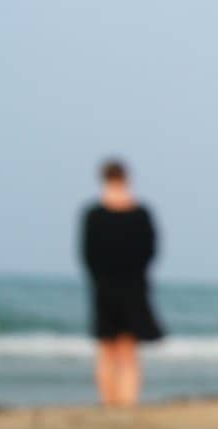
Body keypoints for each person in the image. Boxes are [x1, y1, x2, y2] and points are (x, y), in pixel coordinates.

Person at [80, 159, 162, 407]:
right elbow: (150, 250)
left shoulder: (94, 214)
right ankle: (126, 401)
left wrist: (98, 277)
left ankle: (109, 401)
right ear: (126, 177)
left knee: (106, 348)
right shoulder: (140, 213)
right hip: (132, 285)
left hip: (104, 285)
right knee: (127, 348)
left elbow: (86, 253)